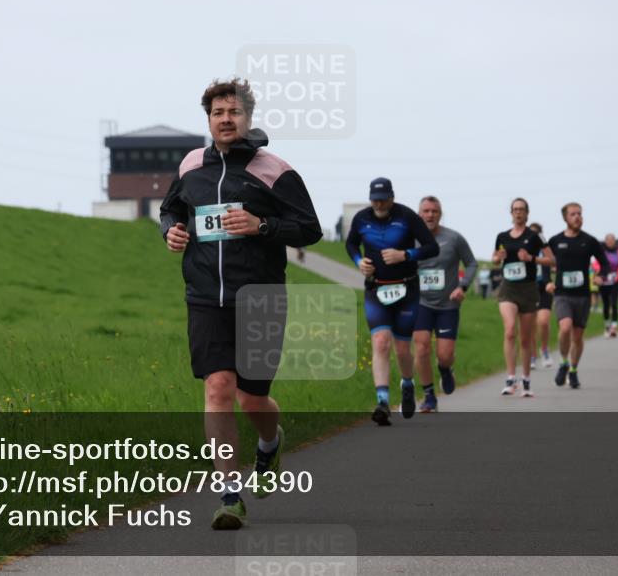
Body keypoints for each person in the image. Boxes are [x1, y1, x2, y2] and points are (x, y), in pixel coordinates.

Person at [160, 78, 322, 529]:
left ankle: (270, 443)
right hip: (204, 297)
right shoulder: (192, 165)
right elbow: (171, 209)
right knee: (218, 388)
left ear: (248, 117)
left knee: (253, 399)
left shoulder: (274, 170)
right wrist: (170, 230)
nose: (225, 119)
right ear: (208, 119)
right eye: (218, 113)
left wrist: (261, 225)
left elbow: (309, 229)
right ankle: (230, 494)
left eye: (233, 112)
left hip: (260, 298)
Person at [346, 178, 439, 425]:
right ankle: (383, 402)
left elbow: (432, 248)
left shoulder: (407, 216)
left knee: (402, 348)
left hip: (406, 290)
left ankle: (407, 384)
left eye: (383, 199)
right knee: (380, 342)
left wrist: (405, 255)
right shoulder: (361, 218)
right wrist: (359, 262)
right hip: (376, 289)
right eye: (375, 200)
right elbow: (351, 243)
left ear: (392, 198)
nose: (379, 204)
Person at [412, 196, 477, 412]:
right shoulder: (410, 239)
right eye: (426, 211)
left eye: (434, 211)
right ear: (419, 214)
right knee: (421, 347)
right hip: (420, 302)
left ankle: (445, 369)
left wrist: (463, 287)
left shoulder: (453, 238)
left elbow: (471, 263)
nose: (430, 215)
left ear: (440, 214)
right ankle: (429, 395)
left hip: (448, 304)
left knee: (445, 355)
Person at [492, 198, 553, 397]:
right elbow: (494, 259)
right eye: (515, 209)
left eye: (521, 209)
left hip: (528, 289)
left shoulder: (535, 236)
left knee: (526, 339)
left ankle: (526, 379)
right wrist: (497, 258)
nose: (518, 212)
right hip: (508, 288)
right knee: (510, 331)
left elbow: (552, 260)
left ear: (527, 213)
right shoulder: (502, 236)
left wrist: (531, 258)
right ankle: (511, 378)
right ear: (511, 213)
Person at [546, 203, 610, 389]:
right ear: (565, 218)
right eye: (573, 214)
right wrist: (547, 281)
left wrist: (601, 276)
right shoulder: (555, 241)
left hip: (582, 295)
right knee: (565, 327)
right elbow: (545, 262)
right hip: (562, 294)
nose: (577, 217)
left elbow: (605, 263)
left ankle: (573, 370)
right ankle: (563, 363)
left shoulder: (589, 241)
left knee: (578, 336)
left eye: (579, 214)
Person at [530, 222, 554, 369]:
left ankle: (544, 349)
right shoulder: (522, 249)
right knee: (531, 325)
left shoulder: (546, 250)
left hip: (545, 288)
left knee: (543, 322)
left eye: (536, 234)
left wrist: (551, 281)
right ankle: (532, 355)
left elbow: (556, 262)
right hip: (528, 289)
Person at [598, 234, 618, 337]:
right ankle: (607, 326)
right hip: (604, 280)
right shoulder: (601, 251)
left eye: (612, 240)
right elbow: (596, 264)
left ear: (614, 241)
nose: (610, 242)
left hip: (615, 280)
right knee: (606, 304)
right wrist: (600, 273)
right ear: (605, 241)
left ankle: (614, 327)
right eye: (608, 240)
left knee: (614, 303)